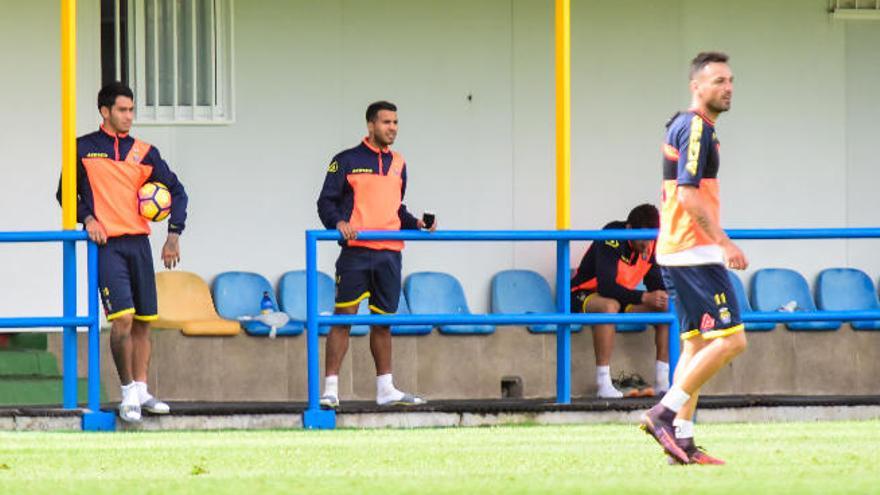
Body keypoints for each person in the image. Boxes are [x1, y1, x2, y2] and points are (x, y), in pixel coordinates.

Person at [56, 81, 188, 423]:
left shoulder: (145, 151)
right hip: (108, 245)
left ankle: (142, 391)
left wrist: (173, 235)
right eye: (122, 110)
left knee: (144, 322)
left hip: (139, 245)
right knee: (122, 321)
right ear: (105, 111)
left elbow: (178, 193)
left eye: (132, 110)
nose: (129, 116)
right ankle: (127, 390)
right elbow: (64, 194)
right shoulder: (83, 148)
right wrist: (87, 219)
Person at [639, 52, 748, 465]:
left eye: (731, 80)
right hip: (693, 251)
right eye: (719, 80)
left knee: (696, 345)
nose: (728, 87)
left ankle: (681, 441)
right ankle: (664, 414)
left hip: (678, 249)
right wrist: (724, 243)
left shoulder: (689, 127)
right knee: (732, 339)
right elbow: (687, 194)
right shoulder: (696, 128)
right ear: (696, 86)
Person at [316, 101, 435, 408]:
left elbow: (396, 208)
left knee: (383, 323)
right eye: (386, 122)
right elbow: (325, 203)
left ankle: (385, 389)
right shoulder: (345, 160)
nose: (392, 128)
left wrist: (418, 224)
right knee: (343, 319)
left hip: (390, 254)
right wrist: (338, 223)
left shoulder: (399, 163)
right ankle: (330, 389)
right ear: (370, 125)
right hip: (356, 253)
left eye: (395, 122)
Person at [571, 204, 669, 398]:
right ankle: (603, 384)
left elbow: (654, 282)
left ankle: (662, 382)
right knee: (609, 306)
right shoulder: (612, 235)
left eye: (652, 237)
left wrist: (659, 296)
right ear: (629, 229)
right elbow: (607, 287)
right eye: (643, 237)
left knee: (666, 308)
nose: (647, 244)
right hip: (583, 293)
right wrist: (645, 297)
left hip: (622, 296)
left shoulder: (652, 244)